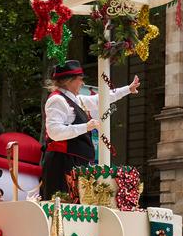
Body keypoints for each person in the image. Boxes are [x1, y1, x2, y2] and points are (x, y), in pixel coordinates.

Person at [40, 60, 139, 199]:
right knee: (62, 205)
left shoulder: (76, 100)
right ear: (69, 81)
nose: (82, 83)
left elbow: (102, 99)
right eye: (80, 80)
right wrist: (86, 126)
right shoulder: (57, 100)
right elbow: (54, 132)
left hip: (75, 163)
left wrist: (128, 89)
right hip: (62, 163)